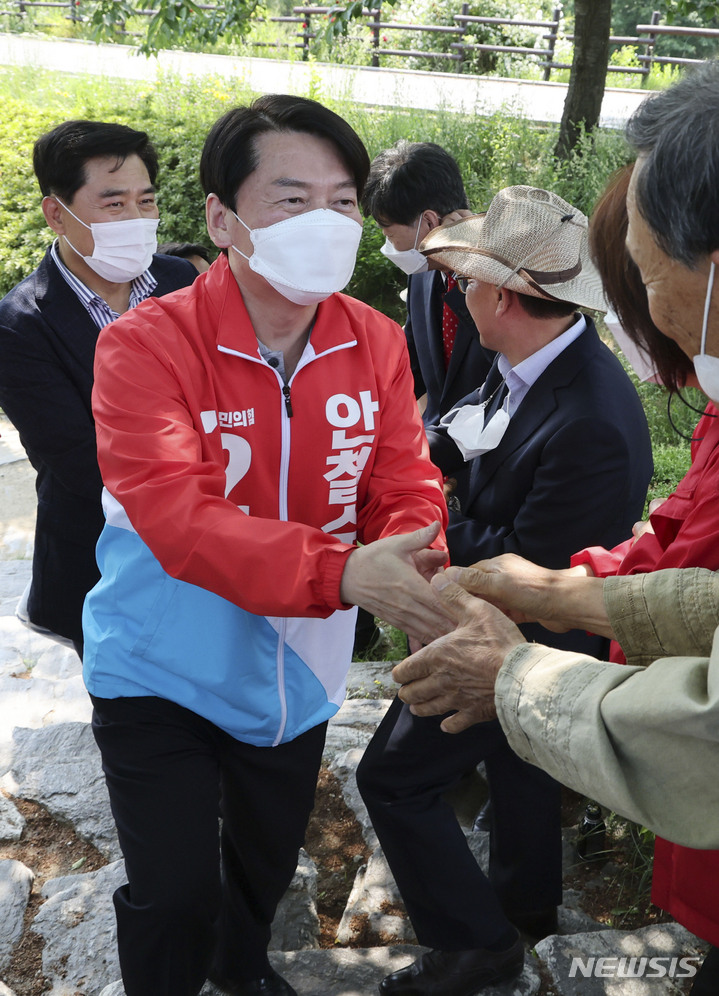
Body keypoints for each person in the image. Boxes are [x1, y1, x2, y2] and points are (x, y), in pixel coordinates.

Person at [82, 94, 451, 996]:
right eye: (291, 199)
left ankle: (243, 974)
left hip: (297, 675)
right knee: (173, 895)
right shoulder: (146, 346)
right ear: (221, 217)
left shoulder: (374, 340)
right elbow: (178, 518)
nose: (323, 222)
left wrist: (409, 557)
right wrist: (343, 571)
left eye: (343, 200)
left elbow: (402, 476)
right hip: (159, 665)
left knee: (259, 868)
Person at [390, 58, 719, 996]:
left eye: (648, 282)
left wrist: (520, 664)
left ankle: (493, 940)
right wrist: (553, 586)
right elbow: (689, 571)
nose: (646, 319)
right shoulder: (522, 368)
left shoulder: (588, 410)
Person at [356, 186, 653, 996]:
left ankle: (474, 946)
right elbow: (471, 441)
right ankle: (524, 911)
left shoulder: (588, 414)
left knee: (391, 778)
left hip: (526, 637)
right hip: (497, 617)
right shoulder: (526, 361)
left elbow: (534, 569)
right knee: (522, 772)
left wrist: (432, 519)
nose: (455, 290)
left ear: (499, 296)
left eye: (467, 280)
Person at [0, 120, 197, 655]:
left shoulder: (182, 280)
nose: (135, 219)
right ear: (56, 214)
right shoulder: (20, 324)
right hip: (101, 559)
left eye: (145, 201)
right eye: (113, 205)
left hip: (206, 554)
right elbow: (77, 459)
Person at [361, 140, 494, 426]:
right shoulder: (423, 271)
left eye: (389, 233)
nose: (389, 244)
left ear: (429, 223)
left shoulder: (502, 274)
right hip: (435, 433)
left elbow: (505, 362)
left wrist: (464, 276)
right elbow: (414, 362)